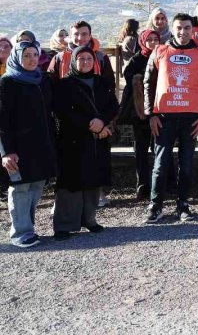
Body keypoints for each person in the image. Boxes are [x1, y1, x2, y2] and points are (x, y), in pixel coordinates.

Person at [144, 13, 198, 222]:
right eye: (179, 28)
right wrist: (151, 114)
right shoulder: (159, 50)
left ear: (193, 30)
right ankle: (155, 206)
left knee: (186, 164)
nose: (183, 32)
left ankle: (183, 205)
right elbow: (148, 83)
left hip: (190, 119)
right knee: (160, 163)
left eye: (187, 28)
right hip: (164, 117)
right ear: (173, 29)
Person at [51, 46, 118, 240]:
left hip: (98, 140)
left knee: (93, 180)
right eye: (81, 59)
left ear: (94, 61)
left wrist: (103, 123)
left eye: (89, 58)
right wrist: (92, 125)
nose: (85, 62)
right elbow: (63, 112)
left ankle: (89, 219)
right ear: (73, 61)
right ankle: (64, 225)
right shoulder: (64, 85)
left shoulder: (102, 82)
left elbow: (113, 106)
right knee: (70, 183)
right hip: (73, 139)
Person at [0, 41, 56, 248]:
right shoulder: (7, 82)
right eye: (26, 55)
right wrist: (6, 152)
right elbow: (2, 121)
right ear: (17, 57)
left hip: (41, 145)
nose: (32, 59)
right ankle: (20, 233)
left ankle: (28, 228)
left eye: (34, 54)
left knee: (36, 185)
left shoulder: (41, 80)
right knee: (20, 187)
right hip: (18, 147)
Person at [119, 30, 160, 199]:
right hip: (140, 112)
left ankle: (162, 184)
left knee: (160, 148)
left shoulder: (163, 56)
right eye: (148, 40)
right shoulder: (137, 59)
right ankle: (142, 184)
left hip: (159, 110)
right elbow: (129, 78)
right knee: (141, 150)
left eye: (155, 39)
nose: (152, 42)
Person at [46, 21, 115, 90]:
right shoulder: (59, 58)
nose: (80, 38)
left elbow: (109, 84)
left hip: (94, 99)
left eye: (84, 34)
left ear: (90, 36)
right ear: (70, 37)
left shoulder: (101, 57)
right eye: (76, 34)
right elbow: (51, 83)